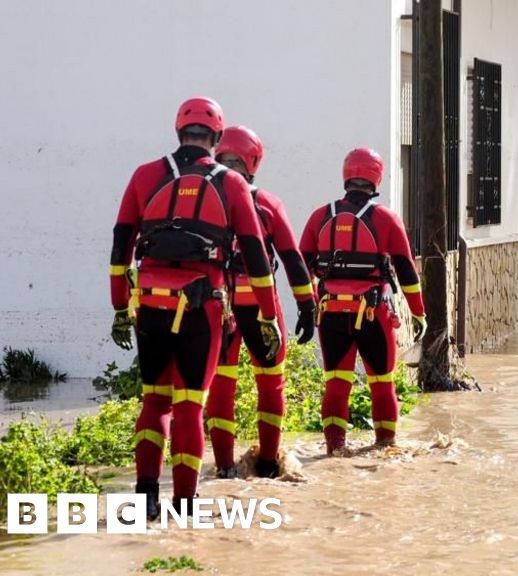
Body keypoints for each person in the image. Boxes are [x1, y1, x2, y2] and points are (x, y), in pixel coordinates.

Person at [109, 97, 282, 518]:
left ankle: (146, 495)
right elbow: (257, 257)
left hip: (149, 302)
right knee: (189, 404)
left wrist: (118, 306)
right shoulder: (232, 183)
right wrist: (268, 315)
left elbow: (119, 248)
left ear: (178, 132)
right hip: (202, 305)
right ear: (217, 138)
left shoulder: (145, 175)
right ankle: (184, 509)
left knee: (154, 401)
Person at [205, 125, 317, 479]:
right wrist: (307, 306)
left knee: (221, 386)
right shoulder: (267, 203)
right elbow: (292, 259)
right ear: (253, 161)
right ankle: (269, 464)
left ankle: (223, 468)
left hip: (217, 305)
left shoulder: (204, 199)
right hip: (259, 304)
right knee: (271, 384)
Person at [299, 148, 426, 455]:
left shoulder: (320, 216)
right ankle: (385, 446)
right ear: (376, 177)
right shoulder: (385, 218)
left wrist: (307, 304)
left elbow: (301, 264)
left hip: (329, 311)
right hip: (372, 313)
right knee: (382, 382)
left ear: (347, 175)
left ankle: (334, 449)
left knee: (336, 382)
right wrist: (419, 313)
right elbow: (406, 270)